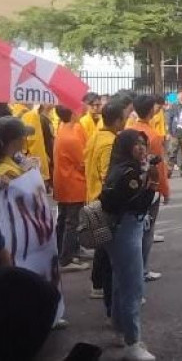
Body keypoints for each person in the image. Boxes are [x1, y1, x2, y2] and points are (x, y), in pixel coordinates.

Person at [101, 130, 158, 361]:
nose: (142, 148)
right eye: (136, 144)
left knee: (119, 281)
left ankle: (119, 330)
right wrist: (153, 182)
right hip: (127, 231)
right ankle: (133, 344)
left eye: (144, 144)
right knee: (133, 287)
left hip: (117, 231)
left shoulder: (119, 167)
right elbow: (140, 203)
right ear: (126, 147)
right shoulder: (129, 173)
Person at [85, 100, 126, 300]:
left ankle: (98, 284)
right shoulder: (110, 142)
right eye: (124, 119)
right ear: (118, 120)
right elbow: (107, 175)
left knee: (102, 245)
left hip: (92, 197)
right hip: (103, 201)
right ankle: (100, 285)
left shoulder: (96, 136)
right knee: (106, 247)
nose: (125, 122)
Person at [128, 95, 169, 283]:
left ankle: (136, 269)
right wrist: (164, 189)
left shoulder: (129, 129)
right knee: (147, 231)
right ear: (152, 110)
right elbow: (158, 167)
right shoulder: (152, 135)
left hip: (131, 186)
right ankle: (142, 270)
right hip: (148, 188)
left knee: (135, 231)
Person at [53, 106, 90, 273]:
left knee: (64, 220)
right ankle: (67, 258)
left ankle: (65, 251)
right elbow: (82, 163)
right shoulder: (71, 138)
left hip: (62, 181)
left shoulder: (61, 130)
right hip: (73, 183)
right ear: (73, 112)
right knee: (72, 222)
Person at [20, 104, 51, 185]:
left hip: (32, 159)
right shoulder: (32, 115)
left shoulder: (32, 115)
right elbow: (32, 141)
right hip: (34, 161)